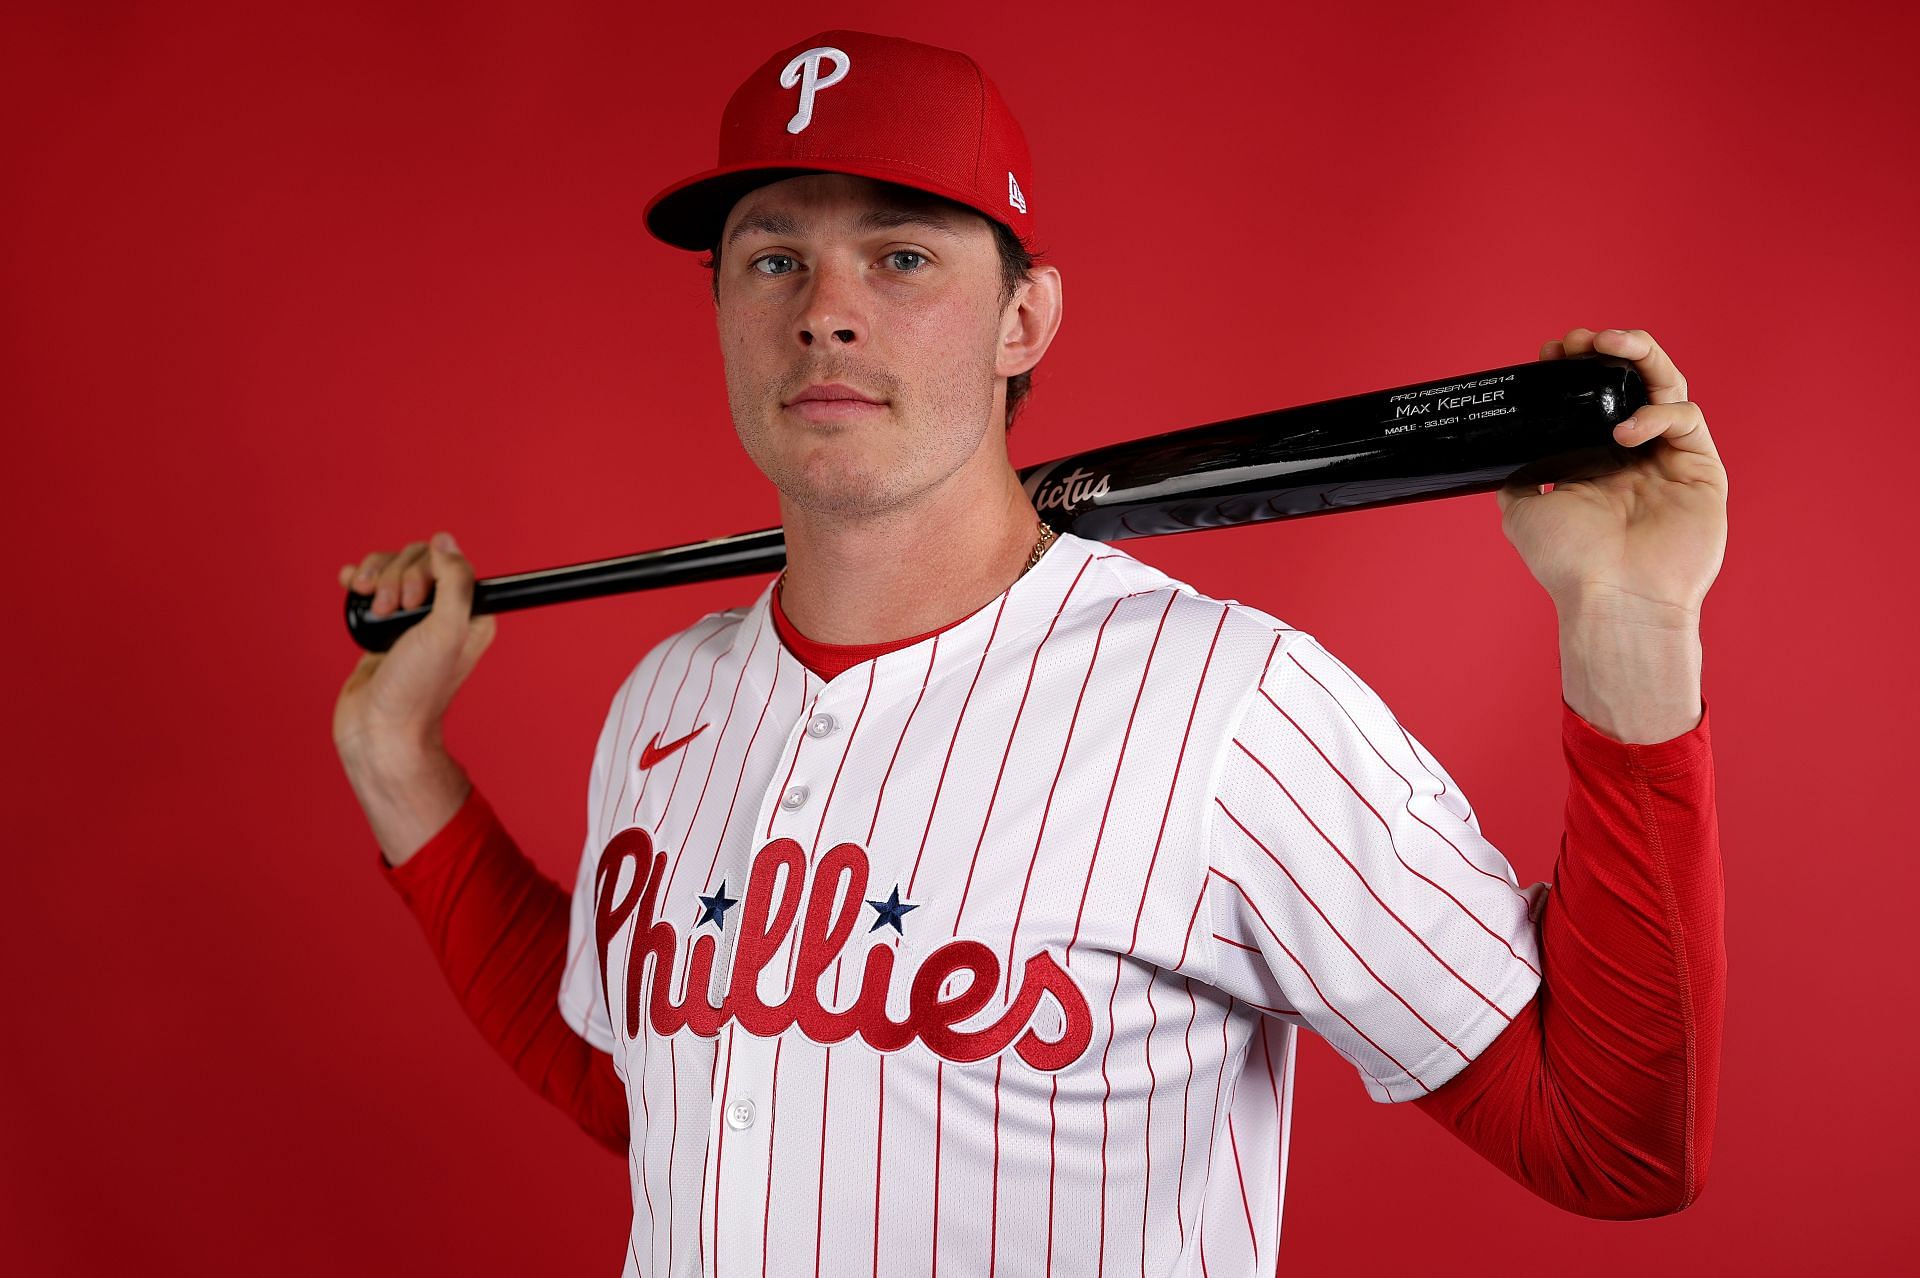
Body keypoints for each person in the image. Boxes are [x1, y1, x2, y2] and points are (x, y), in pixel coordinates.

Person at [332, 29, 1726, 1277]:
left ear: (1024, 320)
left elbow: (1607, 1140)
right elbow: (641, 1090)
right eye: (773, 258)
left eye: (901, 255)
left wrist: (1630, 629)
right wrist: (398, 762)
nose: (826, 307)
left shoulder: (1228, 712)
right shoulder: (667, 701)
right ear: (721, 312)